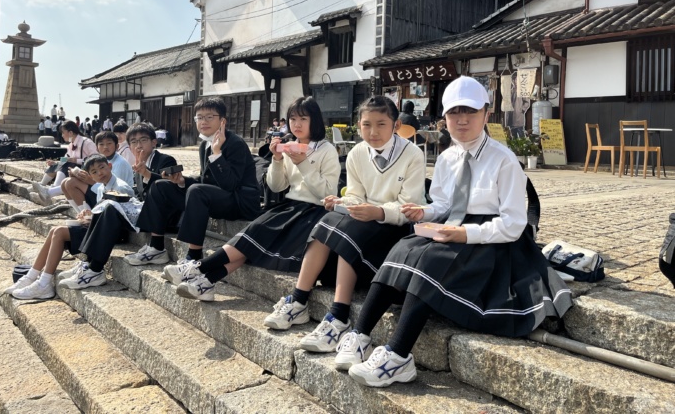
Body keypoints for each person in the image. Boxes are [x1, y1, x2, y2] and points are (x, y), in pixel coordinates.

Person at [335, 76, 572, 387]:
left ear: (487, 114)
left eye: (470, 112)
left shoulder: (505, 161)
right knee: (404, 248)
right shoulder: (447, 157)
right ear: (444, 118)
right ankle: (360, 333)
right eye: (453, 113)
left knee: (432, 260)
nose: (461, 121)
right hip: (454, 228)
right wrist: (425, 211)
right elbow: (444, 203)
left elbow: (514, 225)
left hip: (494, 242)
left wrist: (465, 234)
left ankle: (398, 355)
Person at [262, 96, 426, 355]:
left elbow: (410, 207)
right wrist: (340, 201)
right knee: (328, 219)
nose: (372, 132)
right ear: (358, 125)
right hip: (364, 220)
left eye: (381, 124)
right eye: (366, 125)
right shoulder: (358, 153)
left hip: (395, 227)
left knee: (347, 228)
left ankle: (338, 316)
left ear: (395, 125)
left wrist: (378, 211)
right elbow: (356, 196)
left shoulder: (412, 154)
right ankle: (299, 298)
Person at [176, 97, 341, 301]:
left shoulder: (326, 150)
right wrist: (278, 160)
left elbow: (327, 193)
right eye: (292, 119)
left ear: (314, 120)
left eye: (303, 119)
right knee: (250, 240)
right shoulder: (290, 146)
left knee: (253, 241)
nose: (296, 124)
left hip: (313, 210)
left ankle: (198, 269)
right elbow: (276, 186)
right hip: (288, 206)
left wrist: (304, 164)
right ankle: (206, 282)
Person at [124, 97, 261, 273]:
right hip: (216, 197)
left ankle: (194, 256)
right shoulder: (205, 143)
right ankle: (156, 247)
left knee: (197, 191)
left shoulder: (235, 143)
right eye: (199, 117)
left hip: (240, 201)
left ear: (222, 121)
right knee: (160, 185)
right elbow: (206, 181)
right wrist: (181, 181)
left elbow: (230, 184)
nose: (203, 121)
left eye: (210, 117)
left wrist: (217, 154)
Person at [60, 123, 176, 289]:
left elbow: (170, 188)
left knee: (110, 207)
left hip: (162, 217)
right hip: (142, 211)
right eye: (134, 142)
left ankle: (94, 269)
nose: (139, 145)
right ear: (129, 146)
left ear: (154, 142)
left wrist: (147, 174)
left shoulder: (165, 160)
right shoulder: (137, 163)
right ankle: (90, 264)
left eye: (143, 140)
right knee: (106, 207)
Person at [6, 154, 135, 300]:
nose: (100, 173)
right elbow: (101, 211)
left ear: (109, 167)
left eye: (102, 168)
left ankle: (43, 284)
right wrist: (88, 214)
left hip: (110, 233)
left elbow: (122, 216)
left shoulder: (122, 187)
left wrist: (92, 218)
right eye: (94, 172)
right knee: (54, 230)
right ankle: (31, 277)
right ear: (90, 176)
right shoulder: (101, 188)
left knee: (59, 232)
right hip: (99, 227)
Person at [60, 131, 134, 214]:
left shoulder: (120, 163)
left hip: (114, 199)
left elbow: (115, 189)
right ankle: (82, 214)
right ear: (97, 148)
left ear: (117, 146)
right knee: (64, 182)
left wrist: (89, 180)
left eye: (109, 143)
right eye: (101, 144)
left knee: (71, 183)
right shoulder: (99, 160)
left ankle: (88, 218)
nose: (105, 147)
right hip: (101, 190)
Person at [32, 120, 99, 205]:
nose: (62, 136)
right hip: (72, 169)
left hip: (85, 171)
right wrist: (55, 162)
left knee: (66, 164)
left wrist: (76, 160)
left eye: (63, 133)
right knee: (59, 163)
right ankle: (43, 186)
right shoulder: (71, 144)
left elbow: (95, 159)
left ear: (70, 133)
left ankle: (51, 189)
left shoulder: (86, 142)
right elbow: (66, 158)